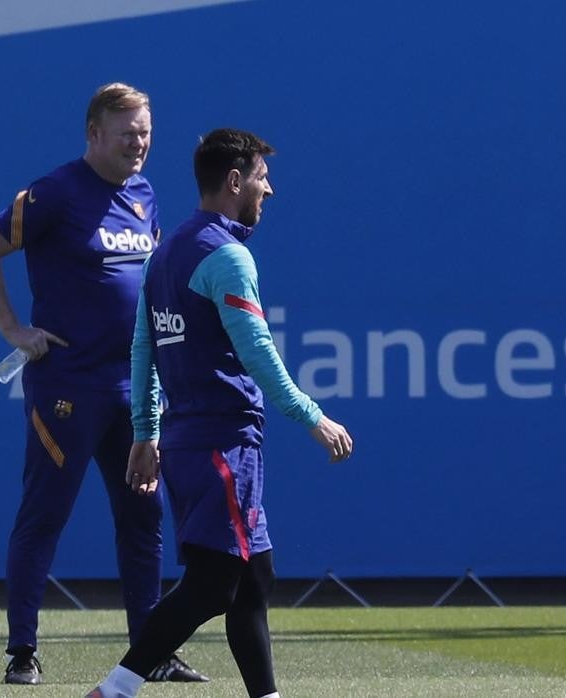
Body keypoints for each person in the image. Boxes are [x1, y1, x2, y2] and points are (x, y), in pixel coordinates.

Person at [86, 128, 354, 698]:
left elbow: (143, 347)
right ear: (235, 182)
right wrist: (314, 417)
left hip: (192, 444)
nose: (269, 190)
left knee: (255, 579)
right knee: (212, 586)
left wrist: (145, 432)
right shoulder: (227, 255)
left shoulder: (167, 252)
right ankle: (113, 691)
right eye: (262, 178)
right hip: (222, 445)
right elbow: (257, 353)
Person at [0, 83, 206, 686]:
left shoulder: (145, 194)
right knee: (45, 515)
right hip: (68, 387)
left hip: (135, 387)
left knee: (143, 518)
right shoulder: (55, 192)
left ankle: (152, 651)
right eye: (127, 133)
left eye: (145, 132)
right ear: (93, 134)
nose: (139, 143)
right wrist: (12, 328)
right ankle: (23, 651)